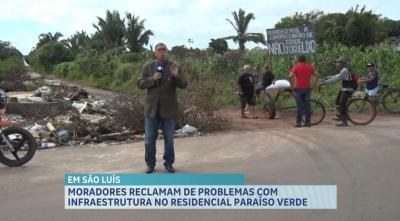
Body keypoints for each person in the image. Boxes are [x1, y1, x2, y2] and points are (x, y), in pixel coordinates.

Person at [137, 42, 188, 174]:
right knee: (149, 140)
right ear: (155, 53)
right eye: (159, 50)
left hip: (168, 109)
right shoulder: (148, 66)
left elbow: (184, 84)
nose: (162, 52)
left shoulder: (174, 66)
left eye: (164, 50)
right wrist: (152, 79)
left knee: (169, 140)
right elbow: (139, 83)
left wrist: (176, 76)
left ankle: (169, 163)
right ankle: (150, 164)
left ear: (167, 51)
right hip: (151, 109)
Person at [321, 58, 355, 127]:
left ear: (342, 63)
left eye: (338, 62)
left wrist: (325, 82)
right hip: (344, 88)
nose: (336, 63)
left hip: (348, 89)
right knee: (337, 102)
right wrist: (328, 77)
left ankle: (344, 121)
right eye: (336, 62)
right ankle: (341, 116)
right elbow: (336, 76)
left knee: (341, 105)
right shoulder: (343, 70)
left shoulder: (345, 70)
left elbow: (336, 79)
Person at [289, 55, 318, 128]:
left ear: (298, 60)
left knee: (299, 107)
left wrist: (292, 86)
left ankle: (298, 123)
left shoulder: (296, 67)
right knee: (307, 106)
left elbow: (290, 76)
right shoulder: (310, 67)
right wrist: (313, 85)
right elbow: (317, 75)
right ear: (305, 60)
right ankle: (308, 122)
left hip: (298, 89)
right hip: (307, 89)